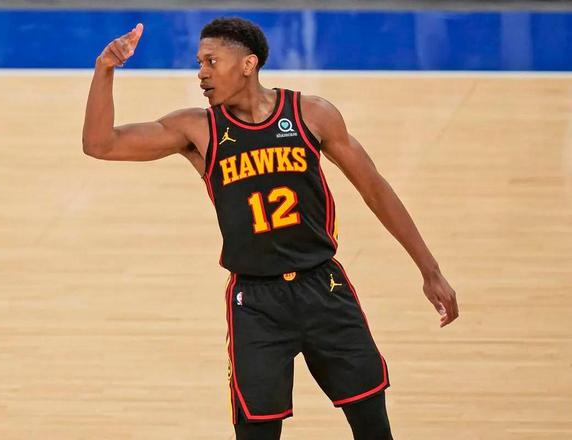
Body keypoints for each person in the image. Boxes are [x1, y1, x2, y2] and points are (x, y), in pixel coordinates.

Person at [82, 17, 459, 440]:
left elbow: (375, 189)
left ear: (248, 64)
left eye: (211, 61)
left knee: (373, 428)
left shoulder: (311, 114)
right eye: (198, 62)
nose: (201, 73)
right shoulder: (198, 129)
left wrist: (429, 270)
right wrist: (105, 69)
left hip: (324, 289)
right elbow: (100, 144)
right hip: (255, 303)